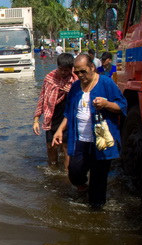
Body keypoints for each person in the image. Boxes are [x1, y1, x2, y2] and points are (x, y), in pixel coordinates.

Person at [52, 54, 127, 209]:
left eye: (83, 72)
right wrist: (59, 130)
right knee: (74, 172)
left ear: (92, 67)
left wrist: (106, 104)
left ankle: (96, 210)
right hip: (81, 139)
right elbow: (68, 112)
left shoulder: (106, 83)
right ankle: (83, 187)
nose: (80, 76)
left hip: (101, 141)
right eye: (77, 72)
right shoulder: (75, 87)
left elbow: (122, 106)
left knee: (98, 181)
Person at [33, 53, 77, 169]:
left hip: (67, 119)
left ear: (71, 69)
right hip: (52, 118)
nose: (63, 73)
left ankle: (67, 174)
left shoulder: (75, 81)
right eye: (61, 69)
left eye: (66, 70)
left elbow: (81, 101)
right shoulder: (49, 78)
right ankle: (53, 167)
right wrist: (36, 120)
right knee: (50, 146)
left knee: (66, 148)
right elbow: (42, 98)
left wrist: (71, 92)